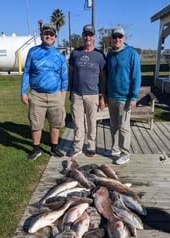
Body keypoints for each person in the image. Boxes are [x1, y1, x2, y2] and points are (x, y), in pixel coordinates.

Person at [21, 23, 68, 160]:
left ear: (55, 37)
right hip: (37, 95)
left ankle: (54, 148)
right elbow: (27, 73)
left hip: (55, 95)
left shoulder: (59, 55)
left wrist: (62, 96)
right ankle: (36, 149)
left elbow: (64, 77)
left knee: (56, 123)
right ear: (42, 36)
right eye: (46, 34)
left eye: (51, 34)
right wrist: (24, 92)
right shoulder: (33, 51)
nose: (49, 36)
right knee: (36, 124)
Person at [68, 24, 106, 158]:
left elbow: (103, 78)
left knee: (91, 123)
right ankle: (77, 146)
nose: (87, 37)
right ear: (83, 36)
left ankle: (91, 146)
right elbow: (71, 73)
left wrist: (103, 97)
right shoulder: (75, 53)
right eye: (85, 34)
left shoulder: (100, 55)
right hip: (76, 94)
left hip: (93, 94)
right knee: (78, 123)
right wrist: (70, 91)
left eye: (90, 35)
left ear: (94, 37)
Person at [105, 26, 141, 164]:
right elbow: (108, 75)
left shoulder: (132, 53)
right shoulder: (109, 55)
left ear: (124, 38)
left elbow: (136, 77)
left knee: (124, 127)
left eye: (120, 37)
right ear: (111, 39)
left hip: (125, 98)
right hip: (112, 97)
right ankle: (114, 149)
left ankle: (125, 153)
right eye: (114, 37)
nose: (117, 39)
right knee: (113, 125)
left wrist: (133, 97)